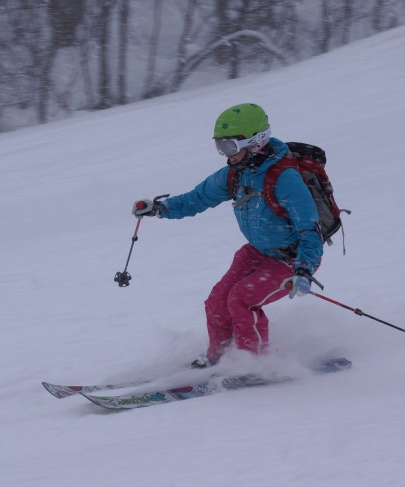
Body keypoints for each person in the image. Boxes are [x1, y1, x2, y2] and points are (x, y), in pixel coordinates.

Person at [132, 103, 323, 368]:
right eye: (220, 147)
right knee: (217, 300)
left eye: (230, 147)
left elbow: (310, 230)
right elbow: (198, 198)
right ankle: (217, 356)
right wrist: (161, 208)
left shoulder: (284, 178)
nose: (225, 154)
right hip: (257, 253)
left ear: (256, 142)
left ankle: (256, 363)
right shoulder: (235, 174)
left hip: (290, 261)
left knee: (241, 299)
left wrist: (303, 269)